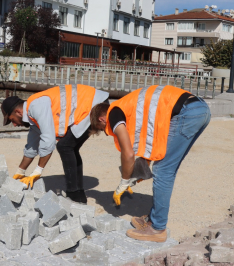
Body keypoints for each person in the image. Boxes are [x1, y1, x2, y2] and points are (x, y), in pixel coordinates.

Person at [89, 85, 211, 242]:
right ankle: (153, 219)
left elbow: (128, 153)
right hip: (198, 109)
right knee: (167, 168)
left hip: (187, 112)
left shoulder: (114, 113)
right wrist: (141, 169)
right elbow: (153, 140)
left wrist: (124, 182)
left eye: (104, 129)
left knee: (163, 170)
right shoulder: (129, 107)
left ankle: (158, 228)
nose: (108, 132)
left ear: (102, 119)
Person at [1, 84, 109, 203]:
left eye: (12, 120)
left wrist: (38, 170)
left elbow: (48, 140)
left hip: (94, 105)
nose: (14, 125)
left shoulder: (36, 107)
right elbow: (31, 147)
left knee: (65, 146)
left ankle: (74, 195)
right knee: (69, 147)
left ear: (18, 112)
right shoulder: (33, 119)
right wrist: (20, 171)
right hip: (90, 104)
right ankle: (78, 195)